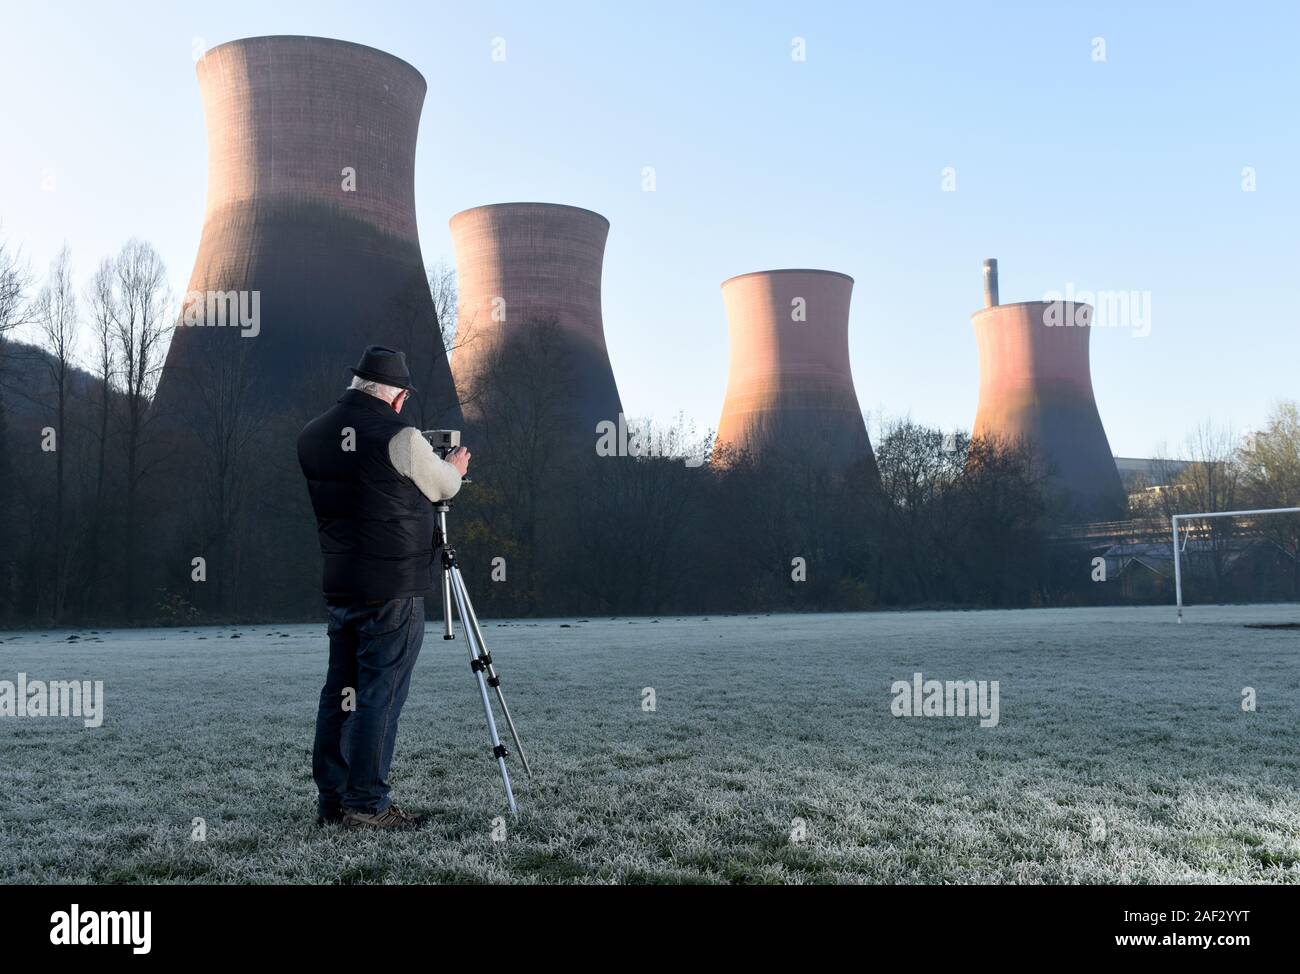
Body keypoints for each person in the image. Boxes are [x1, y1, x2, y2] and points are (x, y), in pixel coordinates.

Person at [296, 345, 470, 829]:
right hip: (391, 587)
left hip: (341, 583)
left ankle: (332, 801)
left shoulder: (311, 435)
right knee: (380, 694)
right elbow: (443, 487)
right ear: (397, 398)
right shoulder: (402, 437)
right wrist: (453, 466)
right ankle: (368, 804)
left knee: (340, 693)